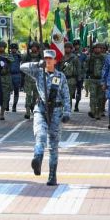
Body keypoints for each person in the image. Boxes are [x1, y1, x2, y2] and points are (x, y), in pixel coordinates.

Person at [22, 49, 71, 187]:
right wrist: (38, 64)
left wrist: (67, 113)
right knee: (40, 135)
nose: (47, 60)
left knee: (53, 145)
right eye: (45, 58)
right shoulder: (38, 73)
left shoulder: (60, 76)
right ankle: (37, 159)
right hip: (41, 109)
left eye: (50, 58)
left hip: (56, 111)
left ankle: (52, 176)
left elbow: (66, 95)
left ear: (55, 61)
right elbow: (22, 67)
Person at [22, 42, 42, 119]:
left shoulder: (40, 56)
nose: (34, 48)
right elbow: (22, 66)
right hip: (28, 78)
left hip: (37, 78)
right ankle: (27, 111)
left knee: (36, 96)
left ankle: (33, 108)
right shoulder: (26, 56)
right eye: (32, 47)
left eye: (35, 47)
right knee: (28, 95)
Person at [86, 43, 107, 120]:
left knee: (100, 97)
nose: (97, 49)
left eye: (99, 48)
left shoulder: (105, 57)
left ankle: (99, 112)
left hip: (102, 80)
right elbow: (85, 67)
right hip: (92, 79)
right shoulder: (90, 57)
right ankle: (93, 111)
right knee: (92, 96)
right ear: (93, 49)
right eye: (96, 48)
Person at [60, 43, 82, 113]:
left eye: (69, 47)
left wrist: (79, 78)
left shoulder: (74, 58)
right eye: (66, 47)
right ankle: (62, 110)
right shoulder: (60, 57)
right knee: (61, 96)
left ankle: (67, 112)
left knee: (68, 97)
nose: (67, 49)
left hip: (71, 79)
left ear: (71, 48)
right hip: (61, 79)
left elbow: (78, 68)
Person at [7, 44, 22, 111]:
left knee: (16, 91)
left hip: (17, 75)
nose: (13, 49)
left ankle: (14, 106)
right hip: (10, 75)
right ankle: (6, 105)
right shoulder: (8, 56)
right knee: (8, 91)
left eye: (14, 48)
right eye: (12, 48)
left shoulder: (19, 56)